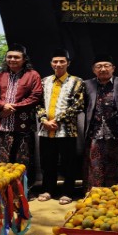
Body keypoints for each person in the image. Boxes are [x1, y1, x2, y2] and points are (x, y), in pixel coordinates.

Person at [36, 48, 85, 204]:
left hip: (67, 130)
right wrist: (44, 120)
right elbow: (38, 103)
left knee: (68, 162)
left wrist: (56, 120)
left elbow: (78, 105)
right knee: (47, 161)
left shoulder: (77, 81)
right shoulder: (44, 81)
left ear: (68, 63)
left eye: (62, 61)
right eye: (55, 61)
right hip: (46, 130)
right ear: (51, 64)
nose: (58, 64)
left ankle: (68, 192)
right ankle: (48, 189)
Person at [82, 54, 118, 190]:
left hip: (117, 133)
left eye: (106, 66)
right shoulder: (87, 85)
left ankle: (116, 194)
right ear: (93, 70)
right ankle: (94, 194)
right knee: (95, 166)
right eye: (99, 66)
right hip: (95, 133)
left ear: (113, 68)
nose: (103, 69)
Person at [0, 44, 43, 177]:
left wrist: (13, 107)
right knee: (3, 161)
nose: (12, 60)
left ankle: (23, 191)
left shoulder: (32, 75)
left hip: (23, 125)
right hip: (3, 126)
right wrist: (3, 105)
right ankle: (5, 192)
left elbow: (36, 96)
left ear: (24, 59)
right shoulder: (0, 76)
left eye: (16, 57)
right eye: (9, 57)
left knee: (23, 160)